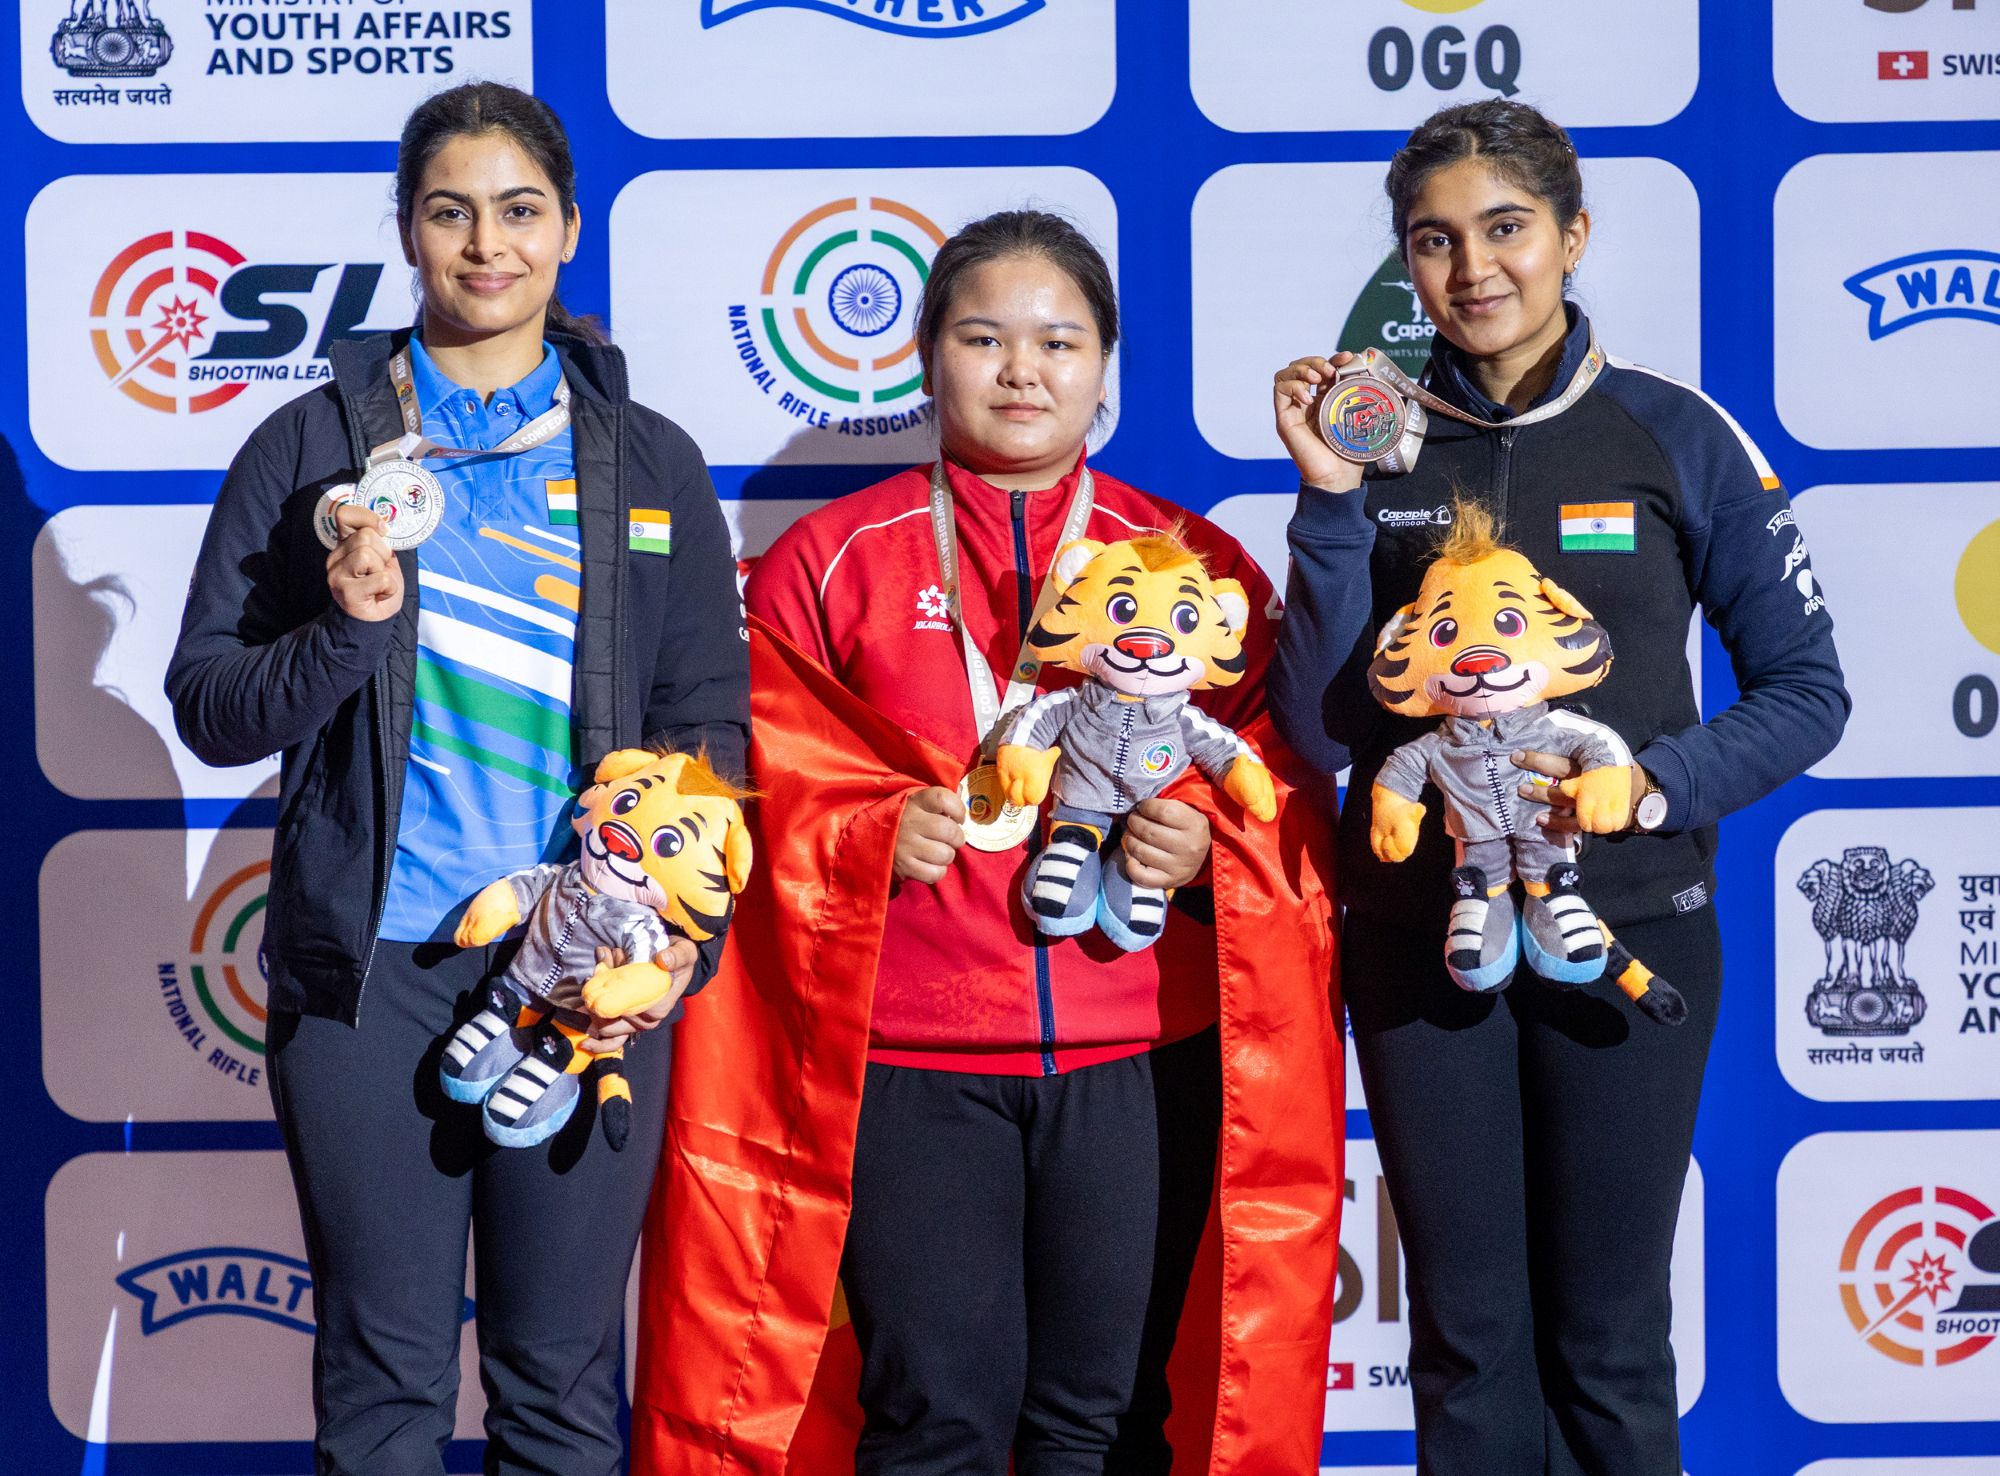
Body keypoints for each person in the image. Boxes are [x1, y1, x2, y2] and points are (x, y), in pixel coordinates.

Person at [630, 209, 1345, 1476]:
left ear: (1104, 365)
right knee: (934, 1422)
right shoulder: (823, 560)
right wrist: (861, 831)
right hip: (909, 1063)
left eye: (1058, 341)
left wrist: (1203, 848)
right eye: (982, 338)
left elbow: (1278, 778)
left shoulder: (1193, 561)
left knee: (1102, 1424)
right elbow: (732, 797)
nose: (1022, 370)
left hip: (1139, 1053)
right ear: (924, 357)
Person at [166, 82, 748, 1475]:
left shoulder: (649, 460)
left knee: (559, 1388)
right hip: (370, 977)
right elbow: (209, 704)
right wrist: (343, 631)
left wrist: (681, 937)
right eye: (449, 212)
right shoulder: (310, 446)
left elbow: (706, 734)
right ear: (407, 230)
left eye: (519, 210)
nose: (487, 244)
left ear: (570, 229)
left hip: (587, 969)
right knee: (384, 1388)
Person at [1268, 99, 1848, 1476]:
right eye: (1433, 240)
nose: (1473, 268)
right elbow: (1321, 730)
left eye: (1506, 228)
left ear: (1572, 236)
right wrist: (1330, 502)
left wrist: (1649, 786)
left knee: (1608, 1340)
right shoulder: (1376, 440)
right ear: (1406, 262)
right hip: (1422, 948)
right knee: (1467, 1344)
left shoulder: (1671, 433)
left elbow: (1805, 692)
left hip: (1630, 934)